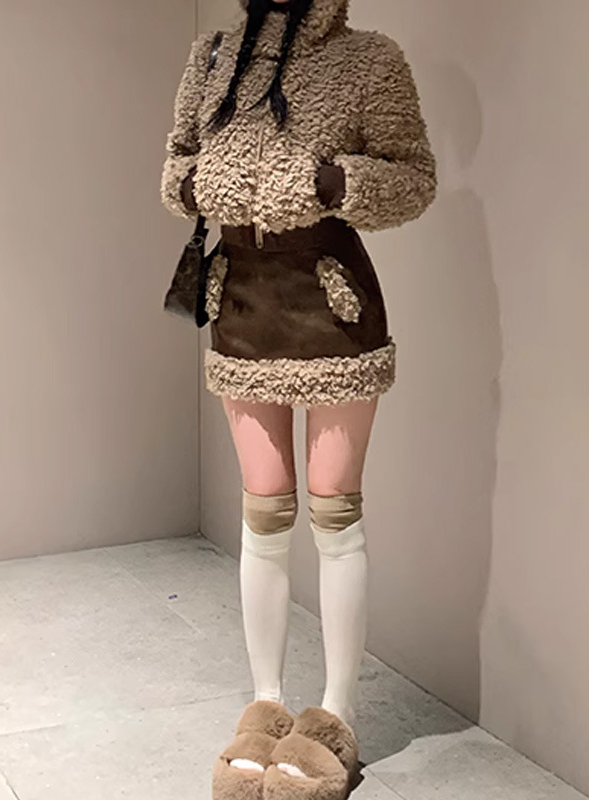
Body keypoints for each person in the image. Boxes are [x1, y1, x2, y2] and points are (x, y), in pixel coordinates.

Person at [161, 0, 436, 796]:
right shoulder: (214, 57)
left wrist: (328, 181)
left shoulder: (369, 59)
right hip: (242, 303)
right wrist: (197, 182)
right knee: (265, 510)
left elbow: (414, 177)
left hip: (330, 301)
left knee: (335, 512)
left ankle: (337, 715)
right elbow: (175, 166)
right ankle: (266, 703)